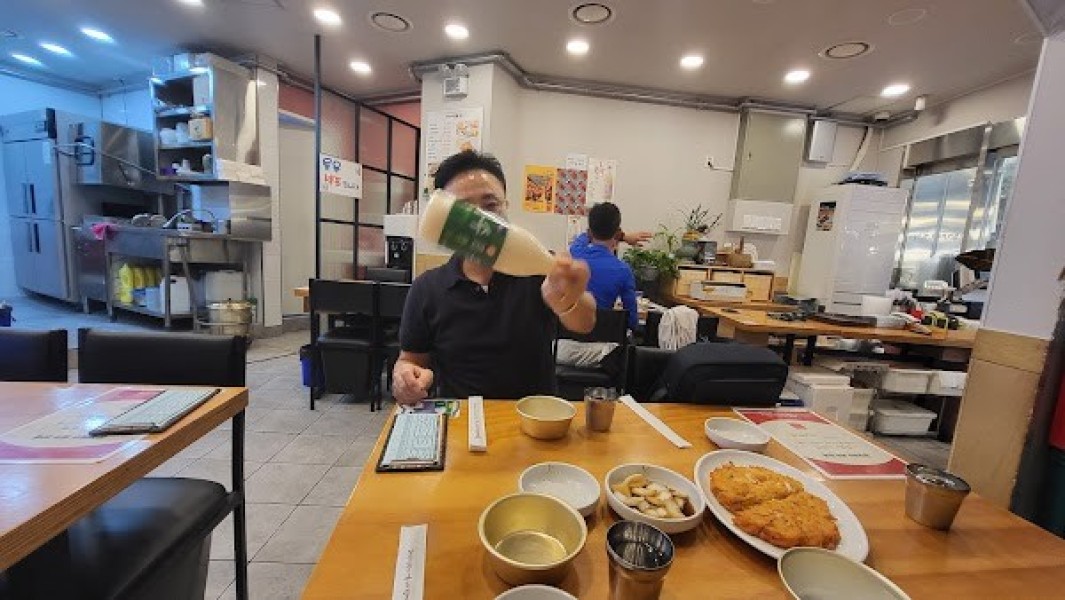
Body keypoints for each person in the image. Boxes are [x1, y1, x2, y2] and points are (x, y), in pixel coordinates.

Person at [392, 151, 596, 404]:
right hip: (462, 422)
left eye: (491, 206)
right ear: (447, 224)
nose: (482, 222)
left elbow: (586, 322)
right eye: (465, 212)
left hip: (534, 422)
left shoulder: (540, 270)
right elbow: (411, 359)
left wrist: (569, 300)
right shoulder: (427, 288)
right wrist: (405, 376)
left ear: (506, 207)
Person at [569, 202, 651, 331]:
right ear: (616, 232)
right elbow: (631, 321)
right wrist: (621, 236)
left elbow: (583, 237)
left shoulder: (575, 253)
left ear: (590, 231)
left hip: (566, 343)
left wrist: (623, 237)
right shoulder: (623, 271)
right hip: (603, 346)